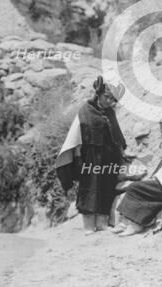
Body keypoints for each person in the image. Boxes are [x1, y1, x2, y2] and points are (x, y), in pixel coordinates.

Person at [56, 76, 127, 235]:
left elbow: (116, 135)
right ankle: (88, 227)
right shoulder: (85, 111)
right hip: (90, 158)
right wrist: (77, 159)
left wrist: (121, 152)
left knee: (106, 188)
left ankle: (101, 225)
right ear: (99, 94)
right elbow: (75, 136)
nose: (108, 101)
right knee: (90, 189)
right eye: (106, 97)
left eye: (112, 99)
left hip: (108, 158)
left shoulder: (110, 113)